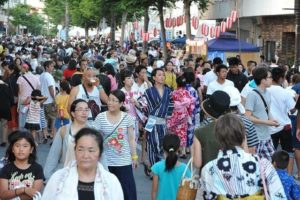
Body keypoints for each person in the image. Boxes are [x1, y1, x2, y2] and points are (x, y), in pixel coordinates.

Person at [199, 113, 287, 199]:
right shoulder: (263, 164)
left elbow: (208, 196)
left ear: (218, 138)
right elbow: (278, 195)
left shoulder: (209, 169)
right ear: (243, 136)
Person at [42, 128, 123, 200]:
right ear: (75, 151)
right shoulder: (58, 178)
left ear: (100, 153)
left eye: (91, 150)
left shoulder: (111, 182)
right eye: (80, 149)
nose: (85, 155)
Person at [93, 90, 137, 200]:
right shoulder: (101, 117)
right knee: (107, 193)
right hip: (106, 162)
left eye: (114, 100)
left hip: (124, 162)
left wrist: (134, 157)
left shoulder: (127, 118)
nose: (110, 103)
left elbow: (131, 139)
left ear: (121, 103)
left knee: (127, 192)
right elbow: (94, 138)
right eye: (109, 100)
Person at [44, 99, 90, 181]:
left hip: (87, 177)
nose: (84, 112)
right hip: (66, 176)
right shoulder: (64, 130)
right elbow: (54, 154)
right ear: (73, 113)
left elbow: (101, 157)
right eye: (80, 109)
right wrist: (48, 176)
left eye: (86, 109)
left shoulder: (93, 131)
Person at [139, 68, 174, 168]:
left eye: (163, 75)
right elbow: (143, 104)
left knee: (163, 144)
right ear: (154, 77)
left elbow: (171, 104)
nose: (162, 77)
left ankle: (160, 167)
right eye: (159, 75)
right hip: (151, 120)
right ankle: (153, 167)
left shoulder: (168, 91)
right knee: (152, 143)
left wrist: (168, 116)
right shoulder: (148, 91)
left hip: (163, 121)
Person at [245, 67, 279, 161]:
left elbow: (267, 110)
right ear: (263, 80)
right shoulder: (252, 95)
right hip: (255, 137)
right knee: (256, 164)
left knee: (270, 163)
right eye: (270, 77)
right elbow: (247, 116)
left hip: (266, 135)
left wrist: (272, 120)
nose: (272, 79)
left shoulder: (268, 93)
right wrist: (267, 122)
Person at [0, 130, 44, 199]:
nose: (21, 149)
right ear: (12, 149)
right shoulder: (6, 169)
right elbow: (3, 195)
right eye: (17, 146)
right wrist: (23, 190)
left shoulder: (37, 169)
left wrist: (13, 194)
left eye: (25, 146)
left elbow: (34, 195)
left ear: (31, 149)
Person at [192, 91, 230, 169]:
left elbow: (197, 163)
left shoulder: (199, 132)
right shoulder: (238, 128)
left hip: (208, 176)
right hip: (233, 177)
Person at [268, 67, 295, 174]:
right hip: (285, 126)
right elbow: (292, 109)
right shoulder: (285, 92)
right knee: (288, 152)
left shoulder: (263, 90)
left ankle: (271, 175)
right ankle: (288, 175)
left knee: (270, 153)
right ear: (281, 78)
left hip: (269, 126)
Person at [151, 134, 191, 200]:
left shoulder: (157, 167)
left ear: (163, 149)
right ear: (178, 149)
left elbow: (154, 191)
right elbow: (188, 191)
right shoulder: (184, 168)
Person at [167, 76, 195, 158]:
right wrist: (189, 113)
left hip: (174, 115)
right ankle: (183, 151)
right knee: (183, 132)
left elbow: (170, 105)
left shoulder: (173, 93)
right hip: (183, 114)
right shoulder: (187, 93)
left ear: (177, 83)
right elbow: (191, 105)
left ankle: (174, 150)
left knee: (174, 132)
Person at [17, 63, 40, 129]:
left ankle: (23, 137)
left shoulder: (20, 78)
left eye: (21, 68)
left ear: (25, 68)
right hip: (33, 102)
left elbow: (20, 92)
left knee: (23, 122)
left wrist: (18, 105)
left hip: (23, 102)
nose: (20, 69)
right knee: (32, 121)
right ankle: (30, 137)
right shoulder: (36, 77)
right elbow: (37, 91)